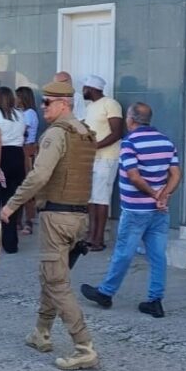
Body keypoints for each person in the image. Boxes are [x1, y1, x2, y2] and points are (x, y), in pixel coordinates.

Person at [0, 80, 99, 371]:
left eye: (47, 102)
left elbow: (39, 176)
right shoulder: (84, 133)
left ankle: (83, 346)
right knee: (51, 275)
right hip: (78, 216)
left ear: (63, 104)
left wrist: (12, 205)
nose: (42, 107)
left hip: (57, 216)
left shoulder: (56, 134)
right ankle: (40, 332)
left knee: (56, 282)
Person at [81, 102, 181, 318]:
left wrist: (155, 195)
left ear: (131, 119)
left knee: (123, 253)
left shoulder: (129, 143)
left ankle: (106, 293)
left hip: (136, 209)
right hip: (160, 212)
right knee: (157, 256)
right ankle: (155, 301)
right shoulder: (165, 141)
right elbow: (176, 174)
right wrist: (163, 196)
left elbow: (134, 176)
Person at [0, 87, 28, 254]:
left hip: (0, 155)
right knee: (11, 200)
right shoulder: (20, 115)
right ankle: (10, 243)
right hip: (16, 155)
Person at [81, 75, 124, 251]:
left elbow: (117, 132)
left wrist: (96, 146)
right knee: (91, 198)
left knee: (101, 198)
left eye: (85, 88)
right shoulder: (90, 107)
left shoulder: (110, 104)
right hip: (93, 158)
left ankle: (99, 239)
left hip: (107, 158)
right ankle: (91, 234)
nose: (83, 91)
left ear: (92, 89)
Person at [16, 87, 40, 236]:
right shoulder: (20, 113)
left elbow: (22, 132)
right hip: (20, 149)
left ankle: (29, 221)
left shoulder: (29, 114)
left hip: (27, 150)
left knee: (28, 187)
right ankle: (18, 220)